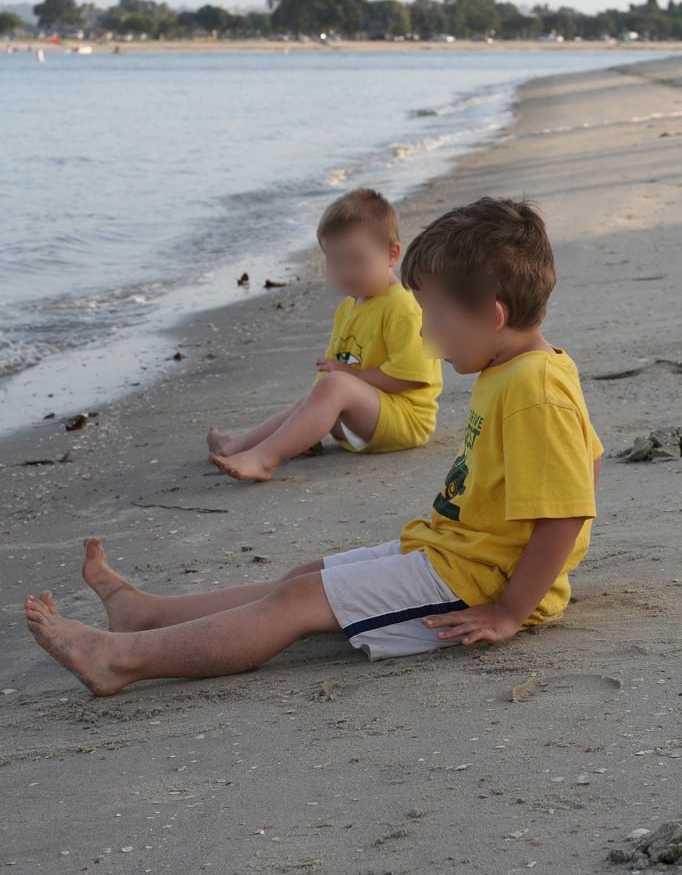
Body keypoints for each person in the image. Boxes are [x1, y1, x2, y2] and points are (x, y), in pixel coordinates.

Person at [25, 197, 603, 697]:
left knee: (296, 604)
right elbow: (589, 462)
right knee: (302, 578)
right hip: (458, 555)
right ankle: (144, 616)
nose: (425, 334)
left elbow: (567, 508)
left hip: (475, 586)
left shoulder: (534, 389)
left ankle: (118, 661)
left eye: (433, 316)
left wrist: (510, 608)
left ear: (491, 315)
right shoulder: (518, 370)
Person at [207, 188, 442, 481]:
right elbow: (334, 374)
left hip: (405, 420)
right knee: (313, 396)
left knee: (335, 386)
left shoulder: (401, 306)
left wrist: (350, 377)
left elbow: (412, 376)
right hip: (365, 415)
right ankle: (238, 444)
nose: (346, 271)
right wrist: (312, 423)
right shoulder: (348, 307)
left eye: (357, 260)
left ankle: (265, 459)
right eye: (335, 262)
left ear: (391, 254)